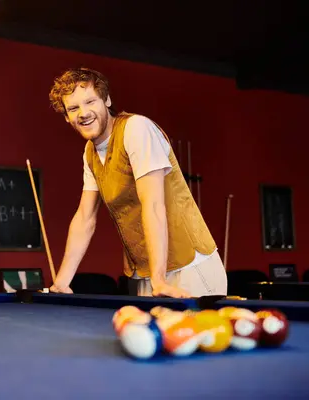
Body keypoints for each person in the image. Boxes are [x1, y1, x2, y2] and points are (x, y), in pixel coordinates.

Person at [47, 67, 227, 298]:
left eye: (90, 101)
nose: (83, 113)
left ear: (106, 100)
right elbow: (85, 218)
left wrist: (159, 280)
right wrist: (62, 282)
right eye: (73, 108)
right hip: (144, 274)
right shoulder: (90, 152)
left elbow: (153, 205)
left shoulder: (136, 129)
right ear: (66, 117)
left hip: (188, 270)